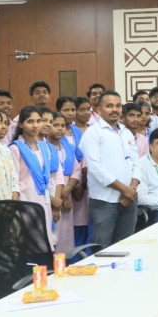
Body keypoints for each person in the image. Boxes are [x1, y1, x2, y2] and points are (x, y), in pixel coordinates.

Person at [81, 90, 140, 247]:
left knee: (126, 246)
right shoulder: (92, 133)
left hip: (129, 200)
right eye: (109, 106)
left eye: (118, 106)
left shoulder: (127, 133)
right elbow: (95, 168)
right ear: (99, 109)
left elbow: (136, 164)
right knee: (102, 248)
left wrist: (132, 189)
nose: (115, 109)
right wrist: (124, 189)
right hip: (104, 201)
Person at [8, 106, 61, 249]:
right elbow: (13, 180)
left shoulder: (44, 147)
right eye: (30, 121)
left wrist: (53, 201)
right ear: (21, 124)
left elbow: (48, 178)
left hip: (44, 200)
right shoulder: (15, 148)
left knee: (45, 241)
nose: (36, 125)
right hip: (26, 200)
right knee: (30, 242)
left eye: (38, 121)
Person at [46, 111, 78, 256]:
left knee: (66, 236)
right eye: (55, 125)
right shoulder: (44, 147)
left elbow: (76, 170)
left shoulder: (68, 147)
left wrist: (68, 189)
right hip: (52, 195)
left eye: (63, 125)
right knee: (52, 234)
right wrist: (61, 197)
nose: (60, 128)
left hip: (67, 193)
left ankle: (64, 264)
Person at [68, 96, 93, 247]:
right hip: (73, 182)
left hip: (89, 182)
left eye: (88, 109)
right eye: (81, 109)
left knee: (88, 222)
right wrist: (78, 184)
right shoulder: (68, 132)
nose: (86, 112)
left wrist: (84, 184)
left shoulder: (94, 130)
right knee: (76, 224)